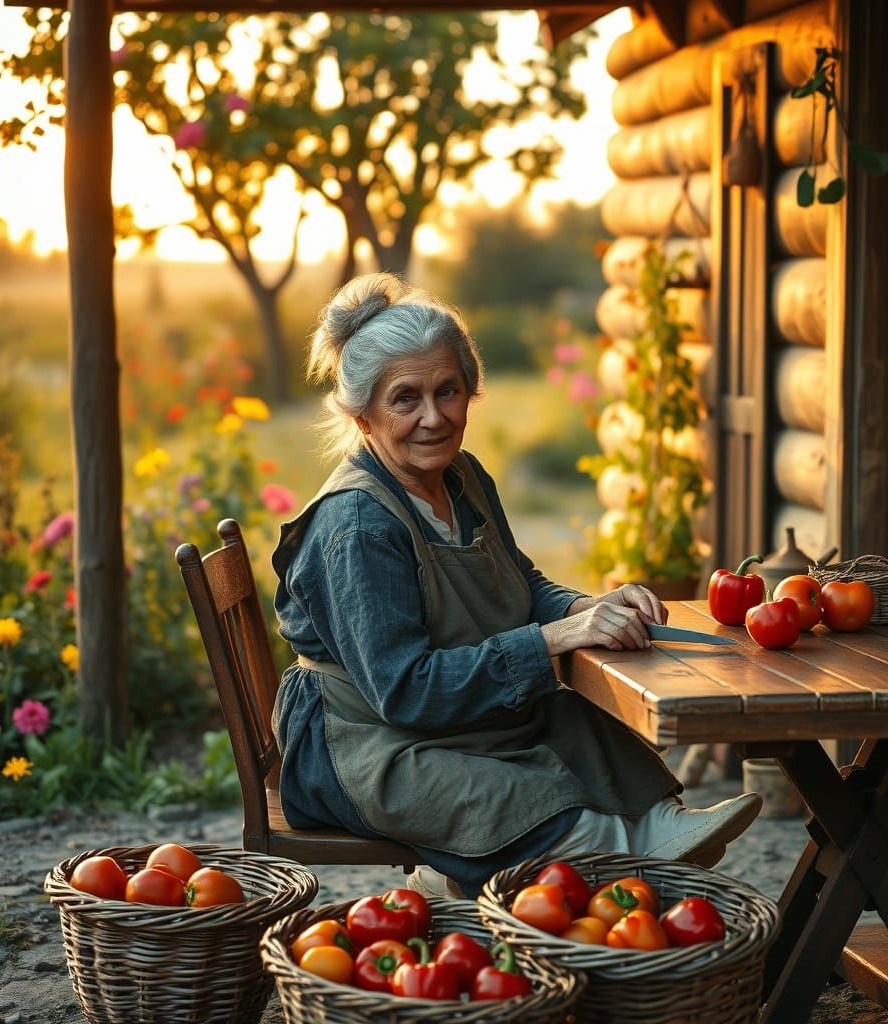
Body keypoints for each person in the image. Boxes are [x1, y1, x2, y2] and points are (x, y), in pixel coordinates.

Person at [271, 272, 760, 898]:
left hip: (434, 718)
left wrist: (589, 608)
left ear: (471, 392)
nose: (433, 417)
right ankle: (628, 858)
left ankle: (657, 826)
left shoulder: (461, 476)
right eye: (405, 398)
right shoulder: (358, 524)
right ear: (363, 416)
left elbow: (521, 583)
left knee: (570, 715)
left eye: (448, 391)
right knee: (504, 793)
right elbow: (406, 692)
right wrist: (554, 637)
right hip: (363, 741)